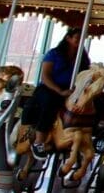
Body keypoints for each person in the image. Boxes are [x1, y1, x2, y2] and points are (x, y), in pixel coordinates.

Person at [24, 27, 90, 158]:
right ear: (68, 38)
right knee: (49, 103)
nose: (80, 41)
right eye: (77, 38)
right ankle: (39, 141)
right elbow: (45, 76)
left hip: (71, 89)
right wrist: (60, 91)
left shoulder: (82, 58)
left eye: (83, 38)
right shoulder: (54, 54)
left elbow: (85, 74)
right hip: (51, 88)